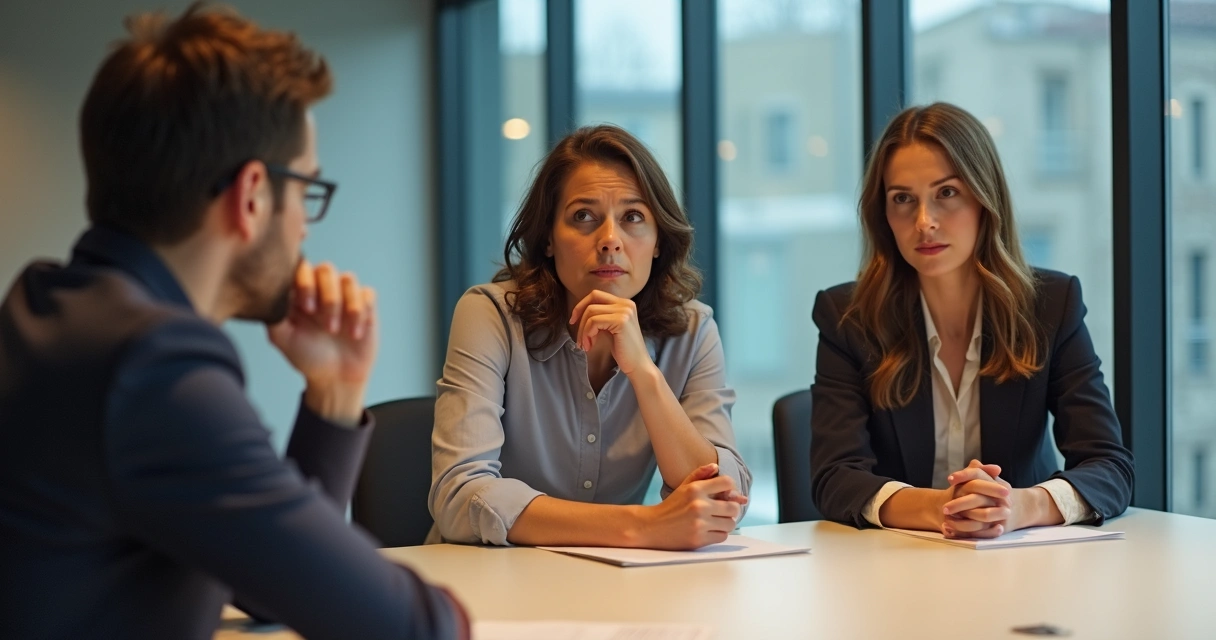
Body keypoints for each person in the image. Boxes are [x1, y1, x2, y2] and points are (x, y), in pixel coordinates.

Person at [0, 5, 467, 639]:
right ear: (252, 196)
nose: (304, 224)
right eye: (306, 190)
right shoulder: (152, 368)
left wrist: (333, 395)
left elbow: (271, 589)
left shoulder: (48, 308)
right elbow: (409, 627)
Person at [809, 102, 1133, 538]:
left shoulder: (1051, 306)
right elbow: (834, 478)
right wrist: (941, 508)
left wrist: (1018, 505)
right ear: (882, 216)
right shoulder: (847, 317)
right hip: (894, 569)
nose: (924, 222)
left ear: (985, 199)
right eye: (903, 199)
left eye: (946, 193)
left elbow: (1110, 466)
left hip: (1023, 564)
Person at [429, 125, 750, 549]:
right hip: (489, 580)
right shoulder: (490, 315)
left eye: (633, 217)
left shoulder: (693, 330)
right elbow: (459, 496)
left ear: (658, 241)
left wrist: (645, 374)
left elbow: (724, 498)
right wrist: (642, 525)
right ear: (547, 238)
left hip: (618, 587)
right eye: (584, 216)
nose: (610, 241)